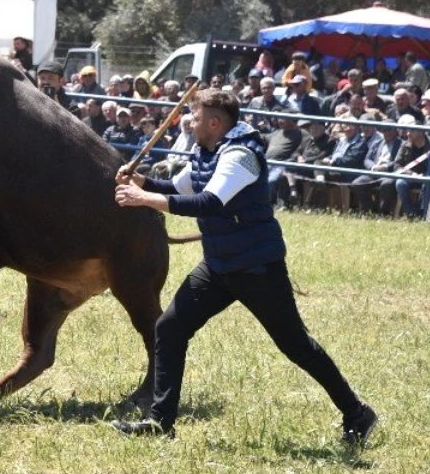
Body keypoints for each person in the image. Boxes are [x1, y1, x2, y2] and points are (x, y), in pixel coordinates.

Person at [110, 90, 376, 445]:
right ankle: (160, 422)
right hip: (219, 266)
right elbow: (176, 187)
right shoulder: (205, 152)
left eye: (196, 116)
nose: (190, 121)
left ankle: (358, 414)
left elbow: (209, 202)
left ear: (215, 123)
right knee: (170, 328)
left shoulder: (240, 156)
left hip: (256, 267)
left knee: (296, 346)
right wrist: (143, 182)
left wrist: (143, 200)